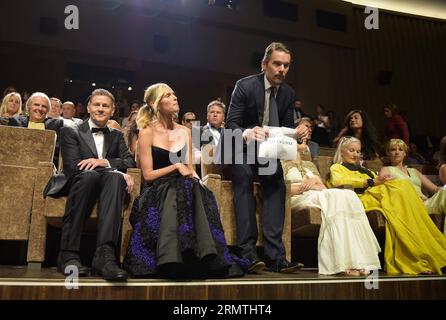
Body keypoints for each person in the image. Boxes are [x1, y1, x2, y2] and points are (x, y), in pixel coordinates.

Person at [123, 83, 246, 279]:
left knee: (198, 189)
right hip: (158, 188)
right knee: (177, 189)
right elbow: (147, 176)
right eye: (168, 95)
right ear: (156, 103)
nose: (175, 97)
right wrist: (175, 167)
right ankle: (171, 259)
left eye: (174, 93)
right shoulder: (147, 132)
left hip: (185, 185)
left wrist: (198, 180)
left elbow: (190, 169)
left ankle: (206, 257)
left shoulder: (185, 132)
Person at [225, 42, 309, 273]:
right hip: (242, 145)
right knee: (242, 179)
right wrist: (248, 132)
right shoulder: (244, 86)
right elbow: (231, 123)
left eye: (286, 65)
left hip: (268, 150)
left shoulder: (288, 93)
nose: (282, 69)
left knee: (277, 186)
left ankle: (276, 257)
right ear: (264, 64)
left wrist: (299, 129)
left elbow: (284, 127)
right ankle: (248, 253)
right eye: (277, 64)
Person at [43, 89, 136, 281]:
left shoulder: (117, 136)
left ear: (112, 111)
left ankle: (104, 256)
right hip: (79, 181)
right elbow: (73, 165)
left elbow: (129, 162)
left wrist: (106, 164)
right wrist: (112, 167)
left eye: (105, 106)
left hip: (106, 184)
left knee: (115, 179)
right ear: (88, 108)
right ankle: (68, 253)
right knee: (90, 176)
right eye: (97, 105)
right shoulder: (71, 131)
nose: (100, 109)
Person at [328, 136, 446, 275]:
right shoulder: (337, 167)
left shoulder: (365, 170)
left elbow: (379, 181)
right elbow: (338, 181)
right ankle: (413, 258)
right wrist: (371, 182)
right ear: (341, 151)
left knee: (401, 185)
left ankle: (423, 253)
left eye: (358, 151)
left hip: (380, 195)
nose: (355, 154)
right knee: (401, 185)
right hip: (361, 198)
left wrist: (383, 180)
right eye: (351, 150)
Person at [282, 153, 381, 275]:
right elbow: (282, 189)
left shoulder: (309, 165)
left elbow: (322, 187)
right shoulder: (280, 163)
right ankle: (340, 263)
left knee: (349, 195)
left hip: (317, 194)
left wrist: (313, 182)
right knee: (334, 197)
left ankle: (359, 261)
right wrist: (308, 186)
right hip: (297, 198)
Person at [380, 139, 446, 219]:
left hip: (425, 203)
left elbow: (435, 189)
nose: (397, 152)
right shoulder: (386, 169)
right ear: (388, 153)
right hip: (409, 205)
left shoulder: (414, 171)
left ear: (404, 153)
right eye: (393, 150)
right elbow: (383, 188)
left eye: (400, 149)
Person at [3, 92, 63, 167]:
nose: (40, 108)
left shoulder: (56, 124)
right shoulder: (15, 121)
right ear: (28, 107)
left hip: (44, 167)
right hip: (17, 165)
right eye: (36, 105)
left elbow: (57, 149)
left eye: (44, 106)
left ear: (48, 110)